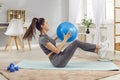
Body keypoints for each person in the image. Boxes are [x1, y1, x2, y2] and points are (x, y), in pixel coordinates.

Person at [23, 18, 109, 67]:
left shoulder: (45, 37)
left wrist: (59, 35)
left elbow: (52, 42)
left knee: (76, 43)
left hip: (59, 57)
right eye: (46, 23)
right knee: (76, 43)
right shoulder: (43, 39)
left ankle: (98, 51)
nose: (48, 24)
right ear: (42, 26)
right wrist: (65, 39)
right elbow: (56, 50)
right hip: (58, 61)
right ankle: (99, 46)